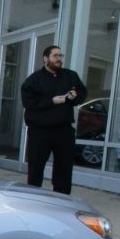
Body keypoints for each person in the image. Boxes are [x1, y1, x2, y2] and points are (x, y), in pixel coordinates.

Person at [21, 45, 87, 194]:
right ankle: (33, 196)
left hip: (63, 130)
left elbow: (82, 92)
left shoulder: (71, 76)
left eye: (61, 56)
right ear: (46, 59)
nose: (59, 59)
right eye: (55, 56)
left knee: (64, 168)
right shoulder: (33, 80)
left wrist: (73, 97)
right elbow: (28, 103)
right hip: (40, 131)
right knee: (36, 167)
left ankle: (62, 198)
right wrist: (52, 101)